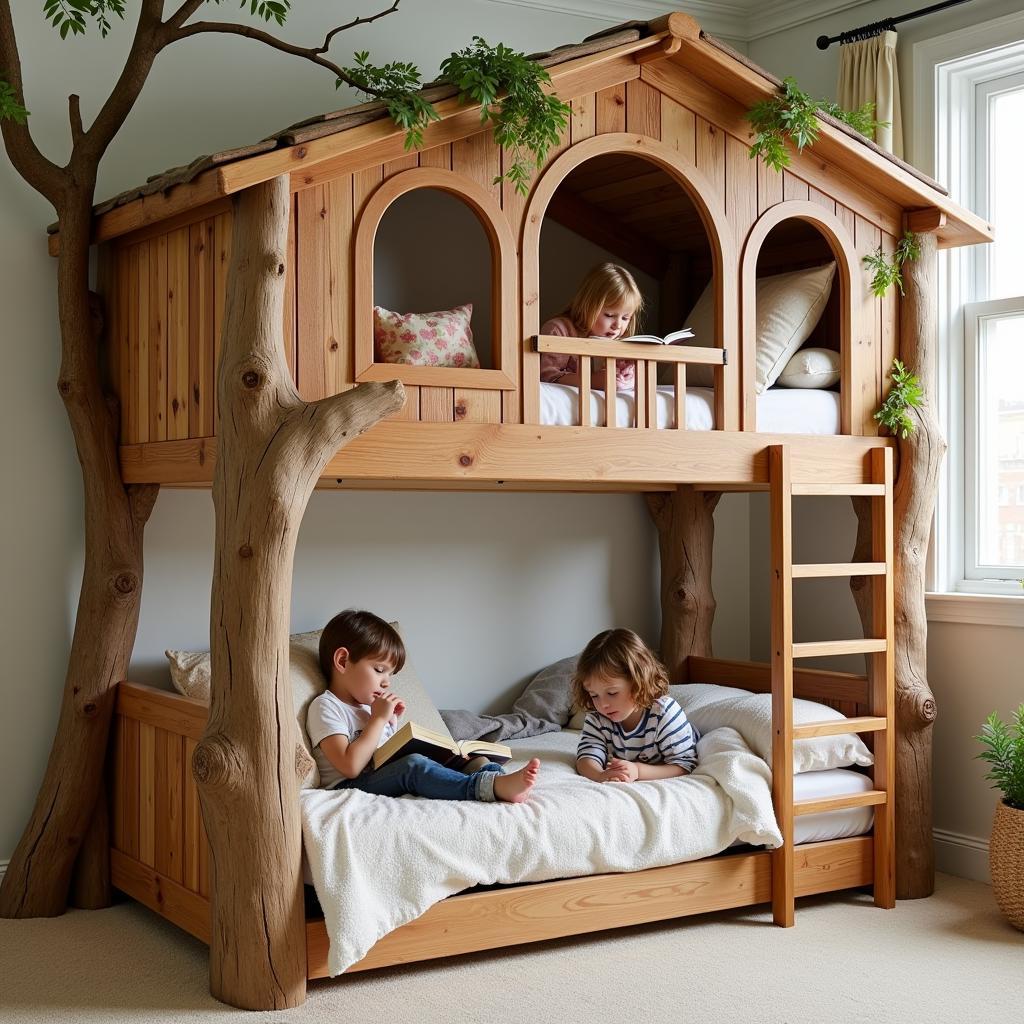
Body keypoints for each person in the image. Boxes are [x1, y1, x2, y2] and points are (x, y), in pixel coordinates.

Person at [307, 609, 540, 802]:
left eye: (390, 674)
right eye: (379, 670)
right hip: (350, 787)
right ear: (342, 661)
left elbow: (383, 757)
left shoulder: (370, 708)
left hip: (381, 776)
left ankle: (499, 780)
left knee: (475, 760)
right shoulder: (326, 706)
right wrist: (378, 720)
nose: (387, 681)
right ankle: (488, 788)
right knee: (413, 766)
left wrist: (389, 723)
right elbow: (350, 766)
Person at [572, 628, 698, 783]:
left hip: (680, 741)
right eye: (594, 695)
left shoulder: (664, 714)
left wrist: (638, 770)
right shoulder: (597, 718)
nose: (603, 704)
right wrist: (599, 775)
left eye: (612, 693)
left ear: (638, 682)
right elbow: (586, 758)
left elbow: (684, 765)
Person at [539, 262, 645, 392]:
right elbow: (546, 375)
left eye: (625, 318)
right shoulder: (559, 330)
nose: (617, 325)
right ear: (587, 306)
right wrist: (591, 381)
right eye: (609, 315)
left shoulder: (622, 343)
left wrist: (627, 378)